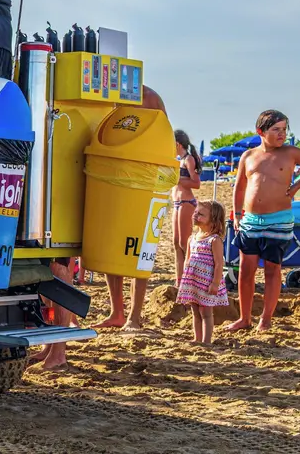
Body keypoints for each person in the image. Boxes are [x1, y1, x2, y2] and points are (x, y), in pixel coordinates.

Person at [225, 110, 300, 332]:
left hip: (279, 219)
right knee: (246, 269)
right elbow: (240, 186)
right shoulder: (248, 156)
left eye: (284, 130)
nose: (282, 134)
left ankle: (266, 318)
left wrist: (297, 185)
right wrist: (237, 214)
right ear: (261, 131)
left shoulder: (290, 152)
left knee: (272, 269)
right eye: (276, 130)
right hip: (250, 220)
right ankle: (245, 317)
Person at [94, 85, 166, 330]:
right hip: (113, 180)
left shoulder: (150, 98)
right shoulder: (105, 96)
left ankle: (134, 316)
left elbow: (165, 138)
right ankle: (117, 312)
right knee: (113, 250)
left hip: (143, 182)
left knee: (140, 251)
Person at [177, 200, 229, 345]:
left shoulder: (214, 240)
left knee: (206, 313)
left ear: (213, 220)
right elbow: (188, 260)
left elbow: (219, 264)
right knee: (195, 311)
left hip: (206, 282)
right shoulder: (191, 239)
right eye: (195, 212)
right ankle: (197, 338)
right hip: (193, 281)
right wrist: (185, 280)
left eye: (200, 214)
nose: (195, 215)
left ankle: (206, 341)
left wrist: (215, 283)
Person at [173, 130, 202, 287]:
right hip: (177, 202)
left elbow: (196, 183)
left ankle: (189, 279)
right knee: (176, 243)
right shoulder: (178, 160)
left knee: (184, 243)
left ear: (178, 144)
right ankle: (179, 281)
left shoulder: (188, 159)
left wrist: (179, 180)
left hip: (186, 201)